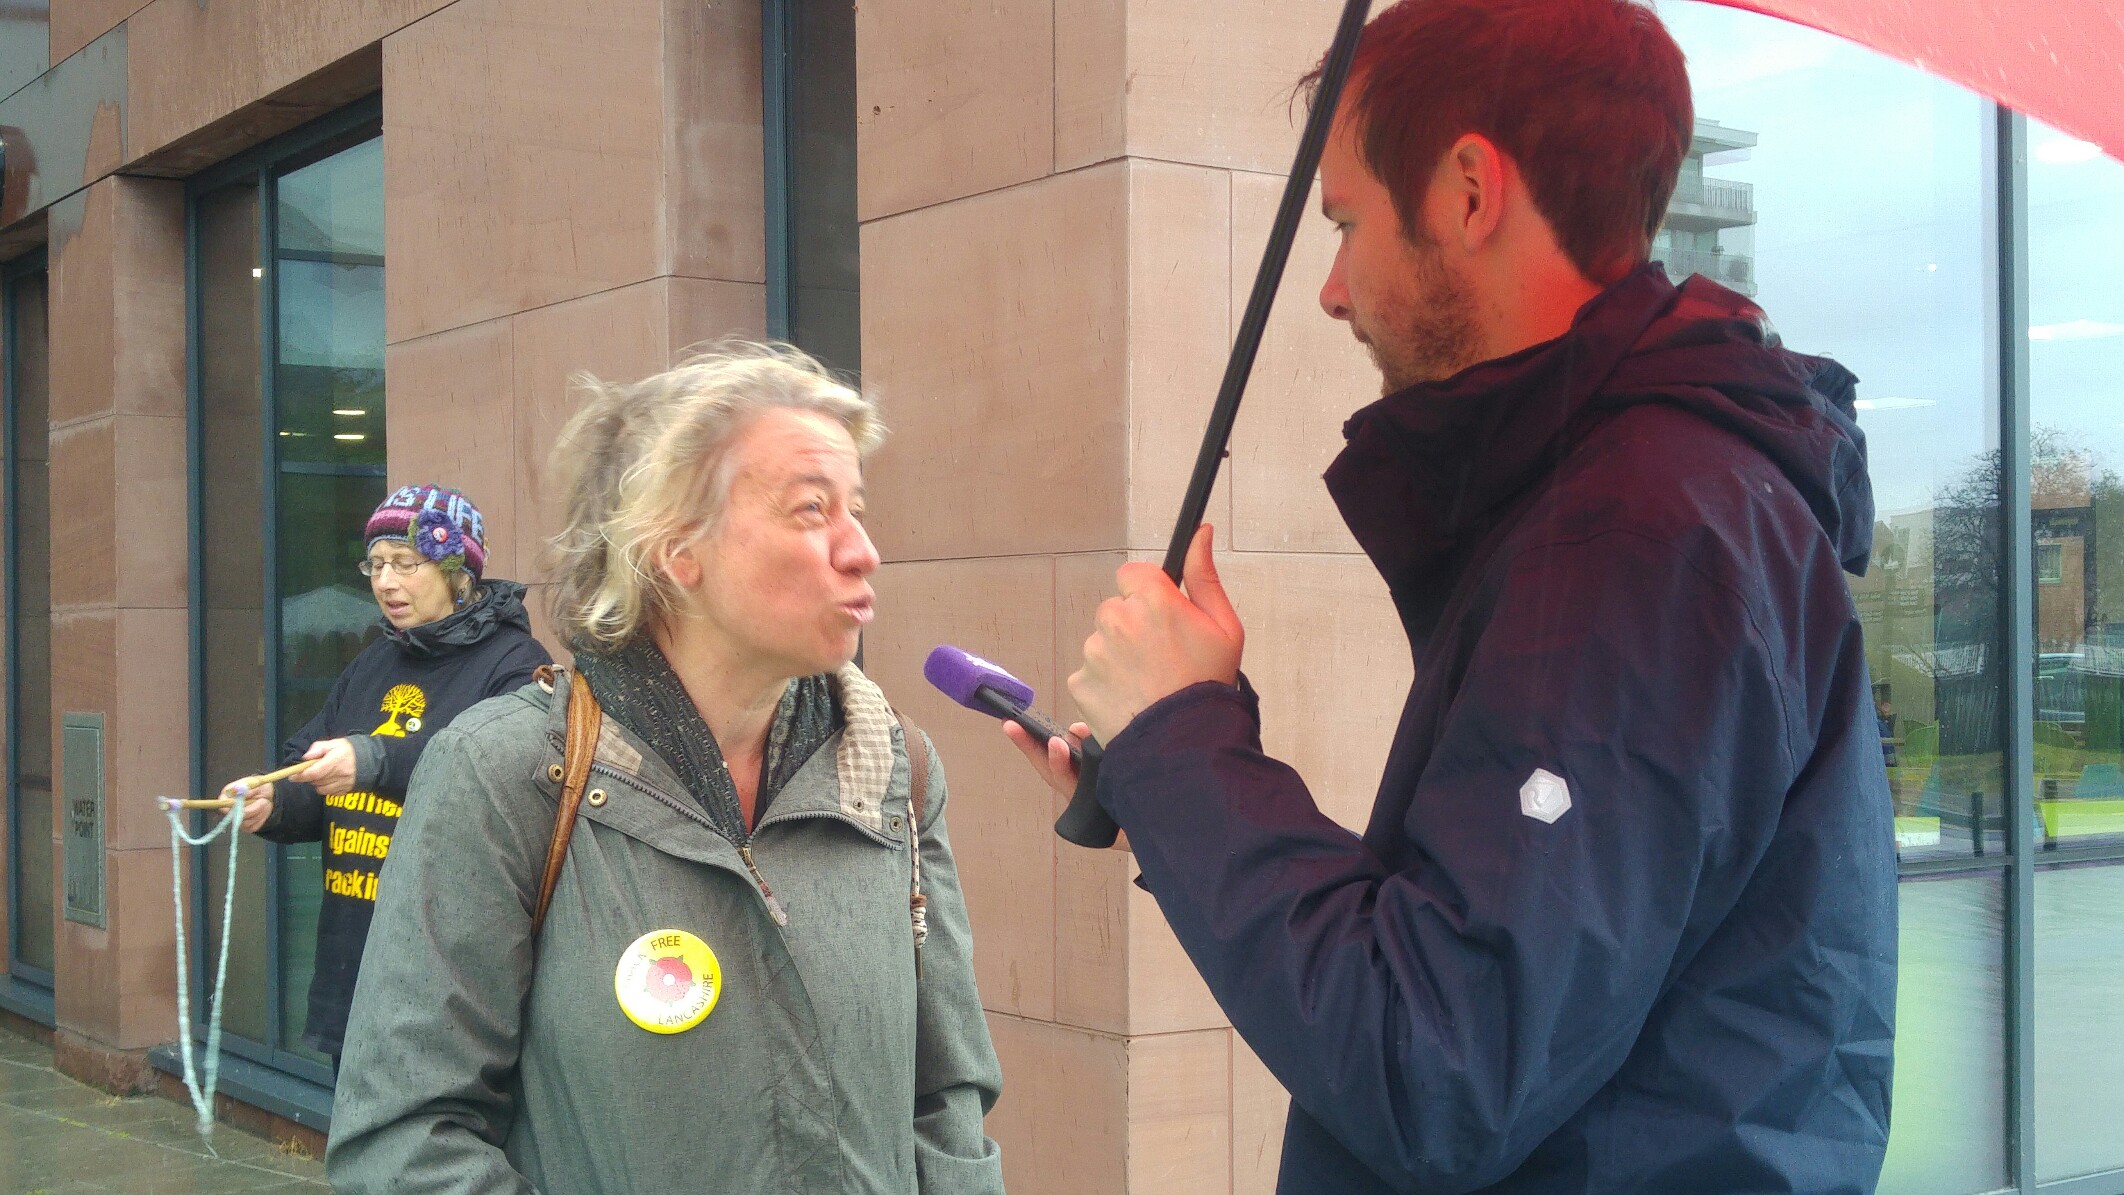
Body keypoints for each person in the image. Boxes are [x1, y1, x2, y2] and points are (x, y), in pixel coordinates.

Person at [1008, 2, 1897, 1191]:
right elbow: (1474, 961)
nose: (1331, 289)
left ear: (1469, 193)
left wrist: (1182, 744)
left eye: (1346, 223)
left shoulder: (1637, 538)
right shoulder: (1634, 503)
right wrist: (1185, 778)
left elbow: (1436, 1068)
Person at [327, 345, 1005, 1194]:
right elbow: (402, 1141)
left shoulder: (895, 771)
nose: (863, 549)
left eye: (857, 510)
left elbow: (946, 1105)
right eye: (811, 509)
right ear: (676, 548)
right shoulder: (504, 774)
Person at [233, 484, 549, 1068]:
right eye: (375, 565)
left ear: (458, 573)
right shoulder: (374, 661)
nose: (384, 582)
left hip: (449, 973)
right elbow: (311, 766)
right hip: (352, 960)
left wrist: (375, 761)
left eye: (405, 563)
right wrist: (272, 801)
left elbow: (503, 778)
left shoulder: (515, 664)